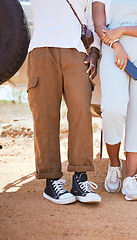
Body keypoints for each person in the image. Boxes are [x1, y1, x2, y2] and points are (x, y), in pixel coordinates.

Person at [27, 0, 101, 204]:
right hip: (42, 48)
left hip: (76, 51)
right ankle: (52, 181)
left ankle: (80, 179)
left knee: (81, 113)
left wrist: (95, 51)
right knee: (45, 115)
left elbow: (92, 21)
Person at [92, 0, 137, 201]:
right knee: (113, 108)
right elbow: (99, 26)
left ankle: (131, 178)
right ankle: (114, 164)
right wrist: (116, 44)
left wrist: (120, 29)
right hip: (113, 51)